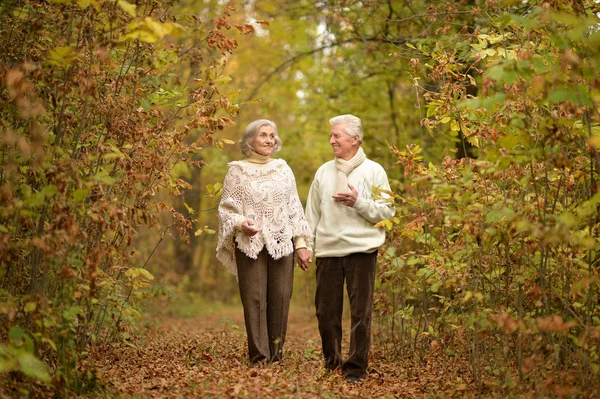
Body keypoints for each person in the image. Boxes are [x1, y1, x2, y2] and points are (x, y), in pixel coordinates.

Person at [303, 114, 396, 382]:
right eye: (331, 135)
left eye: (337, 135)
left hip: (362, 251)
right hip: (329, 252)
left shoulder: (374, 171)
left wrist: (358, 201)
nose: (331, 140)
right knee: (326, 313)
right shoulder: (323, 171)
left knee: (360, 314)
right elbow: (311, 214)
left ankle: (355, 369)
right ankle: (332, 365)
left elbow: (387, 211)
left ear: (355, 138)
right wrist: (305, 245)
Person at [216, 119, 313, 366]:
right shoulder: (237, 171)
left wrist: (301, 244)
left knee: (281, 296)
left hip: (282, 240)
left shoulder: (283, 169)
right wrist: (241, 224)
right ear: (250, 141)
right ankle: (259, 357)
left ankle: (276, 355)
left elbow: (295, 210)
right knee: (255, 298)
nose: (269, 140)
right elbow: (227, 209)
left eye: (272, 135)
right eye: (263, 135)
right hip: (250, 242)